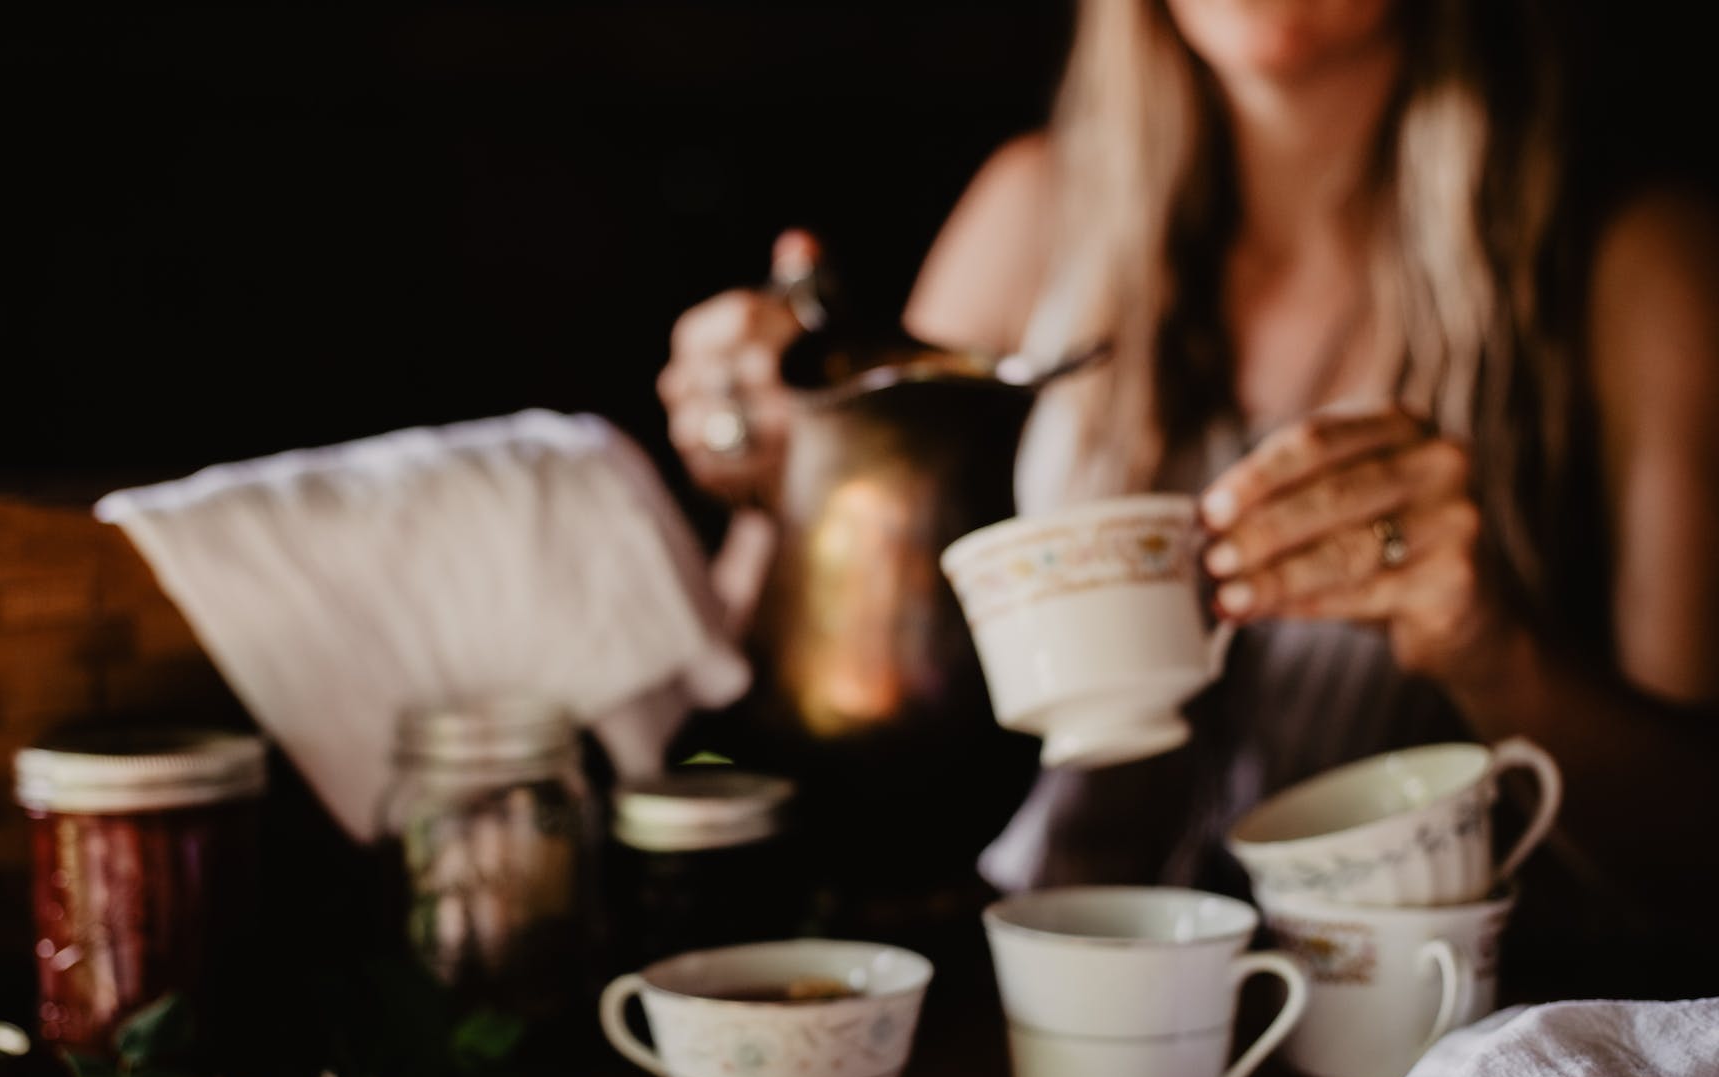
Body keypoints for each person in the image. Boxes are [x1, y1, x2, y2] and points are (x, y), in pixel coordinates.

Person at [657, 0, 1719, 994]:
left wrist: (1491, 647)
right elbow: (746, 691)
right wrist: (780, 477)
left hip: (1409, 1062)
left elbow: (1688, 874)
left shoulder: (1630, 269)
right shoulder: (1033, 216)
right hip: (1032, 1015)